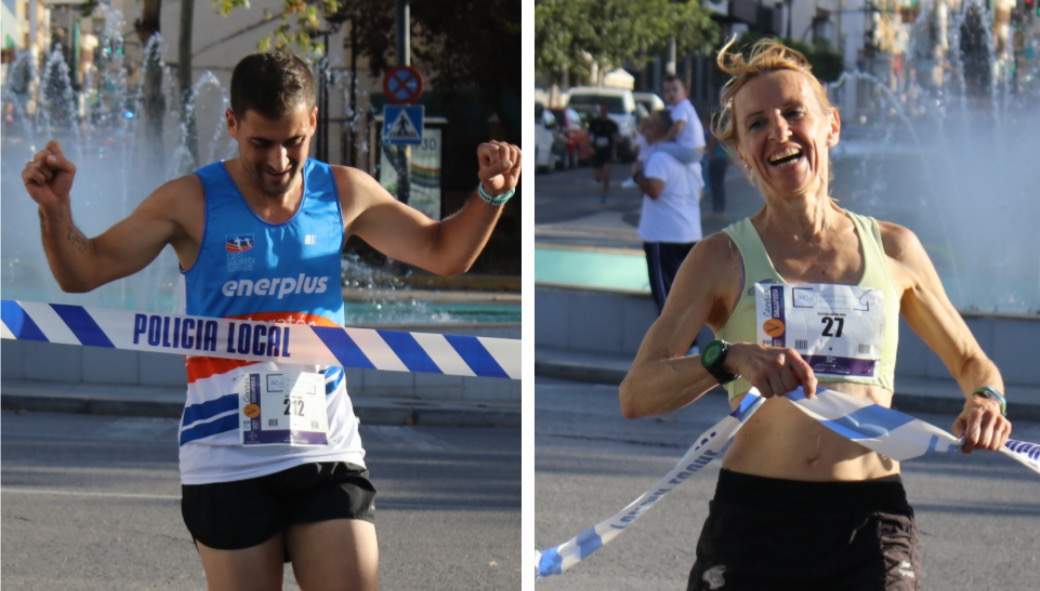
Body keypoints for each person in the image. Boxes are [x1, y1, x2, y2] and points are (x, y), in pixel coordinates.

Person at [20, 51, 521, 591]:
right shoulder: (191, 201)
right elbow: (85, 269)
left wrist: (493, 193)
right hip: (225, 456)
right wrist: (55, 211)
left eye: (293, 142)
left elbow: (443, 252)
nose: (280, 161)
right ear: (233, 125)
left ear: (311, 122)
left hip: (325, 447)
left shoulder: (343, 192)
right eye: (261, 143)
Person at [619, 39, 1011, 590]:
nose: (778, 131)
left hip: (870, 522)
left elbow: (974, 362)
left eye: (794, 112)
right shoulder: (719, 259)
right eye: (756, 123)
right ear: (742, 153)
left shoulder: (894, 250)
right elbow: (637, 393)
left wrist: (986, 400)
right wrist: (728, 358)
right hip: (754, 522)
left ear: (831, 126)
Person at [633, 109, 703, 314]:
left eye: (650, 125)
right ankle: (691, 345)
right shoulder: (690, 161)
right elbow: (698, 194)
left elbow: (655, 190)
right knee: (686, 294)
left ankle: (672, 345)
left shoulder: (659, 158)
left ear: (661, 130)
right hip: (689, 234)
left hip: (663, 237)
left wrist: (637, 175)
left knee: (666, 299)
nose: (645, 130)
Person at [662, 74, 706, 156]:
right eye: (667, 91)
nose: (671, 93)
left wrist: (664, 139)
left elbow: (678, 127)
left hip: (690, 149)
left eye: (675, 90)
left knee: (658, 149)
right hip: (695, 149)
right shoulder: (676, 107)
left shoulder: (682, 106)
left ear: (685, 92)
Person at [587, 104, 618, 202]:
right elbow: (589, 136)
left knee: (606, 173)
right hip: (596, 151)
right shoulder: (594, 123)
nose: (603, 113)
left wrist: (615, 151)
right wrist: (589, 147)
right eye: (601, 111)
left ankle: (604, 194)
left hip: (607, 151)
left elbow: (616, 137)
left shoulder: (612, 124)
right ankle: (599, 178)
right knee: (597, 177)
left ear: (607, 112)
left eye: (605, 111)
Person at [701, 112, 729, 215]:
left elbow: (712, 144)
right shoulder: (718, 130)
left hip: (716, 159)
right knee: (718, 184)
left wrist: (708, 152)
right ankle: (718, 208)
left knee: (716, 184)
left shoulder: (713, 131)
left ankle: (718, 209)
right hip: (720, 159)